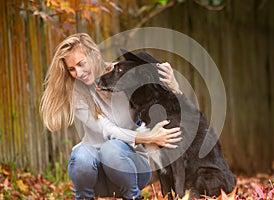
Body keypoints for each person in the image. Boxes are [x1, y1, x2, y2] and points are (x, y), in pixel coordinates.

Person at [40, 33, 183, 200]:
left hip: (132, 170)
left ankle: (132, 197)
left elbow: (163, 101)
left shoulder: (125, 74)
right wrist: (148, 137)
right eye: (71, 69)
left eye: (81, 64)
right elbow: (107, 130)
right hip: (98, 177)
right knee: (80, 156)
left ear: (95, 55)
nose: (78, 72)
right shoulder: (76, 93)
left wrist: (174, 87)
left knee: (112, 150)